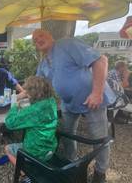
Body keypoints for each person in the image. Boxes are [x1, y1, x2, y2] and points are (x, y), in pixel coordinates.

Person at [31, 29, 116, 183]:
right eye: (35, 39)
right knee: (66, 134)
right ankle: (71, 164)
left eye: (41, 35)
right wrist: (20, 96)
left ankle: (100, 172)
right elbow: (36, 85)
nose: (39, 39)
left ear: (51, 35)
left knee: (99, 138)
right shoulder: (43, 62)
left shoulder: (67, 44)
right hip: (68, 103)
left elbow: (101, 60)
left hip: (92, 98)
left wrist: (97, 93)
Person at [4, 76, 58, 165]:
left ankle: (23, 172)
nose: (26, 93)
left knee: (7, 148)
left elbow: (10, 123)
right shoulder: (51, 101)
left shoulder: (34, 111)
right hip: (50, 148)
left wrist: (15, 106)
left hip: (36, 154)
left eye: (28, 91)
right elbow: (37, 111)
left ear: (33, 93)